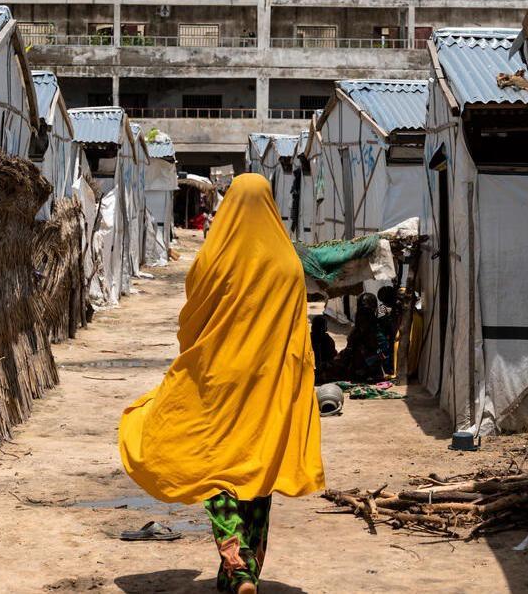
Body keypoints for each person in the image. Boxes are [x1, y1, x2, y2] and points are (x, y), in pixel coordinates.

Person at [119, 174, 325, 594]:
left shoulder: (217, 257)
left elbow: (193, 315)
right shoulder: (287, 263)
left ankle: (236, 565)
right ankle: (242, 571)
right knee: (257, 471)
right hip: (270, 384)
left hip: (220, 377)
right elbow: (298, 334)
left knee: (216, 468)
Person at [337, 292, 391, 384]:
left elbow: (379, 348)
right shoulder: (359, 331)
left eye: (365, 313)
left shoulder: (376, 330)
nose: (362, 318)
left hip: (372, 363)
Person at [310, 315, 337, 383]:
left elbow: (332, 358)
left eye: (320, 327)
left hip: (324, 368)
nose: (318, 330)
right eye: (316, 327)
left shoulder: (328, 341)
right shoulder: (308, 340)